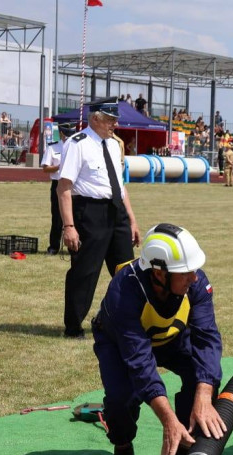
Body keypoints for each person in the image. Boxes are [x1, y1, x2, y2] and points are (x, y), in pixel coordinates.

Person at [92, 224, 226, 455]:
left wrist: (204, 393)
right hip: (119, 343)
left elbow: (206, 338)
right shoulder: (124, 292)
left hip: (172, 339)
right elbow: (139, 363)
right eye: (185, 273)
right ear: (159, 273)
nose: (194, 278)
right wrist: (168, 420)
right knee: (121, 398)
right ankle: (122, 453)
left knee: (205, 378)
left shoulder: (196, 283)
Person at [57, 98, 141, 339]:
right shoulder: (77, 144)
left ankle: (125, 322)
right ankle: (73, 326)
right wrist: (69, 226)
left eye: (115, 119)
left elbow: (120, 186)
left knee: (127, 272)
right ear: (95, 118)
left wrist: (132, 220)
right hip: (90, 213)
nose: (114, 124)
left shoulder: (114, 145)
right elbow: (63, 188)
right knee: (85, 272)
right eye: (110, 119)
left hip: (117, 212)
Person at [40, 122, 76, 255]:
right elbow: (45, 168)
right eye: (67, 134)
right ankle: (54, 246)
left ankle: (74, 246)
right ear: (61, 133)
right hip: (58, 184)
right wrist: (60, 166)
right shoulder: (53, 147)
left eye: (72, 134)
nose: (69, 137)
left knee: (76, 216)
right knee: (57, 217)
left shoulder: (77, 147)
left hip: (74, 185)